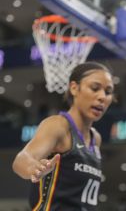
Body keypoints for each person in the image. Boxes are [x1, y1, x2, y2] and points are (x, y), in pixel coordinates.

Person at [12, 62, 114, 210]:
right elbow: (22, 159)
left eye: (108, 91)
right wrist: (34, 168)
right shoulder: (58, 126)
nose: (102, 97)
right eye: (95, 88)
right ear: (74, 88)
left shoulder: (96, 138)